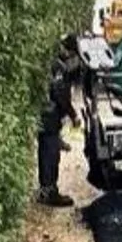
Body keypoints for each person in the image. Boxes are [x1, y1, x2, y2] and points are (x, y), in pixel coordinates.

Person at [37, 33, 82, 207]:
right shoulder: (58, 67)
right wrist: (73, 115)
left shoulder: (51, 62)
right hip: (49, 118)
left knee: (46, 152)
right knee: (50, 156)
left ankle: (45, 190)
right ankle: (50, 193)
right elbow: (60, 94)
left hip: (46, 118)